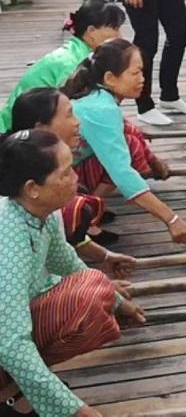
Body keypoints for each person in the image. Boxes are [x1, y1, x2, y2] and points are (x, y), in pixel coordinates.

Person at [0, 129, 144, 417]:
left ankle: (18, 383)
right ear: (32, 188)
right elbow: (10, 341)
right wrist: (74, 410)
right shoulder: (9, 234)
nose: (76, 179)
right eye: (65, 174)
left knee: (94, 287)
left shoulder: (41, 211)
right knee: (83, 303)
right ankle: (8, 392)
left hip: (10, 321)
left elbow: (66, 262)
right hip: (6, 335)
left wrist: (119, 303)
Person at [63, 39, 186, 245]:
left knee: (131, 141)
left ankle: (89, 207)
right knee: (128, 150)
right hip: (52, 178)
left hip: (68, 166)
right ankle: (83, 214)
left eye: (142, 72)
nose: (142, 79)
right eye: (135, 73)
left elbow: (127, 129)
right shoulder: (102, 109)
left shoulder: (97, 97)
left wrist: (153, 161)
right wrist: (172, 219)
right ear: (110, 79)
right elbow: (122, 173)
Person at [10, 89, 138, 285]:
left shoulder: (44, 211)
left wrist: (103, 261)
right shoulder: (12, 230)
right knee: (76, 209)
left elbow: (61, 254)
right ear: (41, 128)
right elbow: (13, 299)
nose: (77, 122)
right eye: (69, 114)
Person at [0, 0, 126, 133]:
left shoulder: (77, 52)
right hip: (15, 133)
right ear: (91, 31)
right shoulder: (73, 64)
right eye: (115, 28)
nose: (120, 36)